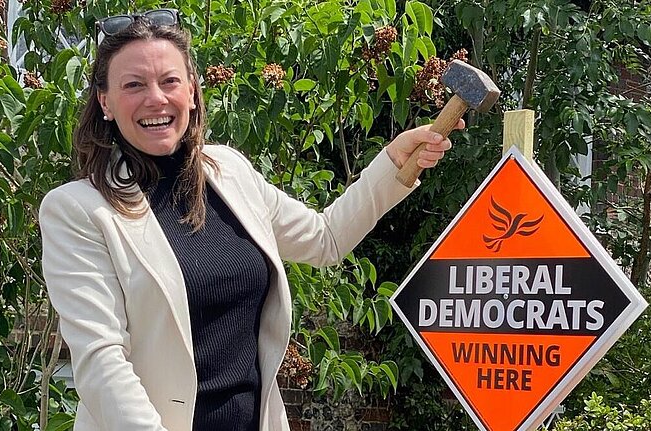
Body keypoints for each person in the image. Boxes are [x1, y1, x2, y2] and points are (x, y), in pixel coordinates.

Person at [39, 9, 464, 431]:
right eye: (134, 85)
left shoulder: (229, 171)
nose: (156, 98)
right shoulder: (78, 210)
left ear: (191, 90)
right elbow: (101, 361)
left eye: (169, 81)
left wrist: (392, 163)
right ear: (105, 102)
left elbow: (325, 239)